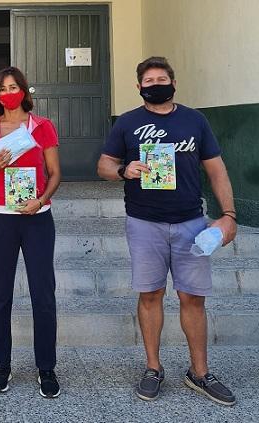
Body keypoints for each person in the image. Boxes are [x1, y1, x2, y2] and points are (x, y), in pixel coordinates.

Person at [97, 57, 237, 406]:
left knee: (193, 298)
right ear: (139, 86)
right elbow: (103, 164)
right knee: (150, 294)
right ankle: (153, 367)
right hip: (144, 223)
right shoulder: (127, 123)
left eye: (162, 77)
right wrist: (122, 171)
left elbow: (217, 170)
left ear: (173, 82)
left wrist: (229, 214)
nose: (156, 83)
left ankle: (199, 372)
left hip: (192, 223)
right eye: (149, 79)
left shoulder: (195, 120)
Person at [0, 66, 61, 398]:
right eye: (3, 88)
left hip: (37, 218)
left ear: (24, 90)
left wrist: (41, 200)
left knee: (43, 293)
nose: (9, 93)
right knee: (0, 294)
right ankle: (1, 364)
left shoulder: (43, 127)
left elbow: (55, 173)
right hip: (0, 218)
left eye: (14, 86)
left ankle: (46, 367)